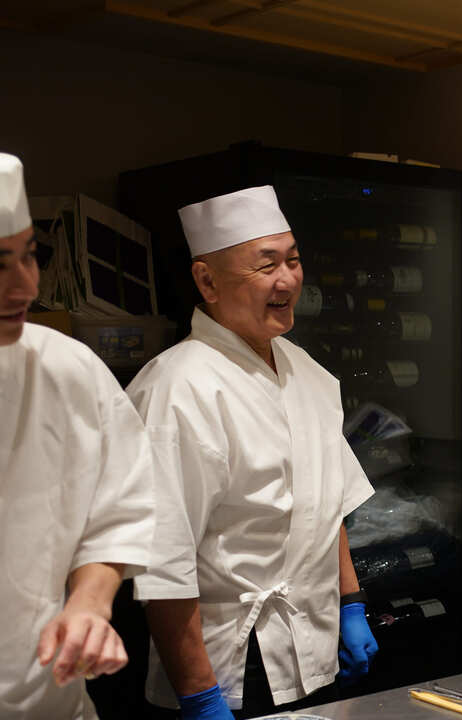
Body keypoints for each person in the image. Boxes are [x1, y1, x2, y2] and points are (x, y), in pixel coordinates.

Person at [126, 186, 378, 719]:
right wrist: (199, 697)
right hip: (229, 665)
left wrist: (351, 604)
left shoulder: (307, 372)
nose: (286, 279)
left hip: (315, 643)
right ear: (207, 281)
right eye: (265, 266)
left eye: (293, 260)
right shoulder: (175, 388)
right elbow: (164, 564)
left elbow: (325, 502)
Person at [0, 152, 156, 718]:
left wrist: (89, 606)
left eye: (30, 256)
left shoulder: (67, 369)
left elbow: (117, 508)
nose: (24, 284)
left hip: (48, 698)